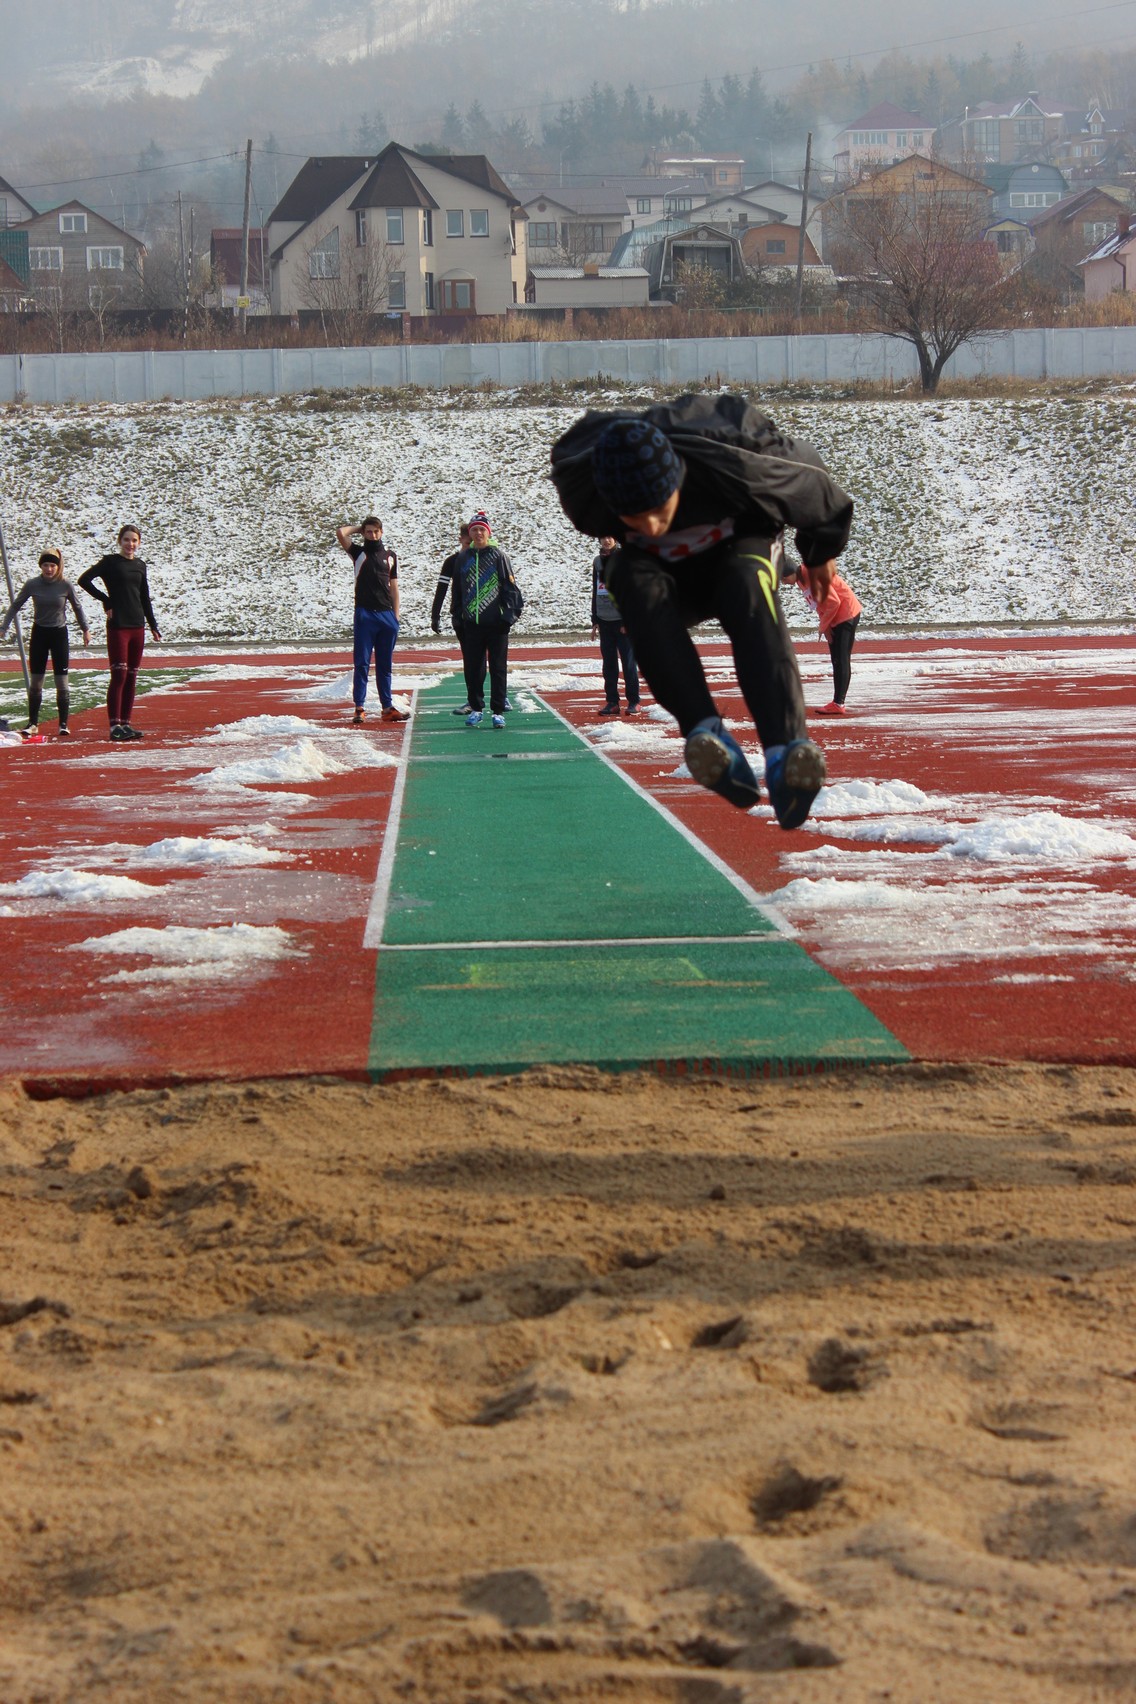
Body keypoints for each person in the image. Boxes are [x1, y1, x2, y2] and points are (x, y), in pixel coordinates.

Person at [549, 394, 854, 828]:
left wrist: (820, 552)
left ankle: (786, 751)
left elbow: (819, 486)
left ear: (676, 479)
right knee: (626, 578)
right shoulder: (586, 493)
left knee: (745, 587)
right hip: (667, 575)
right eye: (634, 519)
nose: (652, 526)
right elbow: (572, 459)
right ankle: (705, 732)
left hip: (739, 548)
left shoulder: (743, 463)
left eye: (658, 510)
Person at [77, 525, 161, 742]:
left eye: (134, 540)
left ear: (139, 542)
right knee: (119, 674)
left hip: (137, 625)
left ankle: (126, 724)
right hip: (118, 625)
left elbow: (144, 596)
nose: (130, 544)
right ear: (119, 541)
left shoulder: (140, 565)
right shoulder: (110, 562)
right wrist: (106, 600)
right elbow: (84, 580)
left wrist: (152, 624)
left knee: (132, 676)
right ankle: (114, 726)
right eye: (126, 540)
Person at [0, 547, 90, 738]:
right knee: (36, 682)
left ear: (58, 567)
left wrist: (85, 629)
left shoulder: (65, 585)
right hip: (39, 633)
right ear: (41, 566)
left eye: (52, 565)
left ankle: (63, 723)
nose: (49, 569)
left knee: (61, 682)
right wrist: (4, 626)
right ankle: (33, 723)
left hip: (59, 634)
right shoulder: (33, 584)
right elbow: (16, 605)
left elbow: (77, 607)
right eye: (45, 565)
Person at [446, 512, 521, 730]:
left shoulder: (499, 556)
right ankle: (476, 709)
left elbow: (511, 589)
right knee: (473, 668)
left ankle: (497, 711)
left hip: (496, 625)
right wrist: (459, 615)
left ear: (488, 533)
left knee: (498, 668)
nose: (478, 534)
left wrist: (507, 617)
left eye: (481, 530)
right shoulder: (463, 558)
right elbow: (457, 590)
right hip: (472, 624)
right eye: (474, 530)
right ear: (470, 533)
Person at [335, 515, 408, 726]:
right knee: (362, 663)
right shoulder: (358, 553)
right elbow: (341, 532)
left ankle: (387, 708)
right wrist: (358, 528)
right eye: (368, 531)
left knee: (385, 665)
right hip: (365, 614)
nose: (372, 535)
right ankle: (360, 707)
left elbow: (394, 587)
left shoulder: (390, 556)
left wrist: (396, 616)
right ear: (364, 533)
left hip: (387, 616)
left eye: (376, 531)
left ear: (382, 532)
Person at [781, 557, 862, 716]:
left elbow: (834, 602)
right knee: (836, 659)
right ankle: (836, 702)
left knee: (841, 658)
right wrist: (826, 627)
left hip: (847, 613)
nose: (783, 582)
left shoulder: (812, 576)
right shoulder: (800, 579)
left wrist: (823, 625)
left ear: (790, 573)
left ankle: (839, 703)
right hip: (834, 616)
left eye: (783, 579)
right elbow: (818, 604)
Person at [430, 522, 478, 715]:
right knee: (470, 659)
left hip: (484, 617)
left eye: (472, 544)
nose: (470, 548)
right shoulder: (452, 561)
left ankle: (500, 697)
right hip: (461, 617)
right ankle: (472, 700)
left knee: (489, 658)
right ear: (461, 541)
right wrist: (435, 614)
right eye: (467, 544)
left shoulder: (484, 559)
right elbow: (441, 588)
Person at [591, 536, 640, 718]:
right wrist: (594, 618)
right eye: (604, 537)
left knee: (628, 664)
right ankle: (612, 702)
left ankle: (634, 701)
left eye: (610, 536)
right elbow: (596, 589)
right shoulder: (597, 561)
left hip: (622, 622)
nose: (607, 540)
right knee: (609, 664)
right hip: (604, 620)